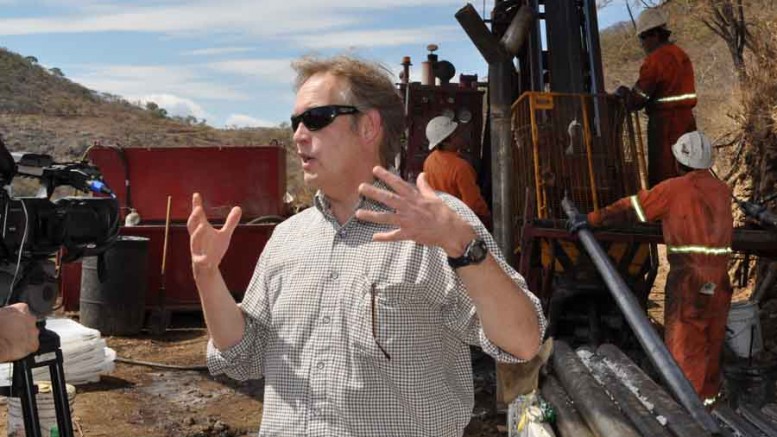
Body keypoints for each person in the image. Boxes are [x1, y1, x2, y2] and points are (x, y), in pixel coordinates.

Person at [188, 55, 545, 436]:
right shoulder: (287, 239)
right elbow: (245, 355)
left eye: (316, 118)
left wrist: (461, 244)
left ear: (369, 126)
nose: (298, 135)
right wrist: (208, 276)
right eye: (296, 122)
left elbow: (523, 342)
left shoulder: (440, 227)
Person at [586, 131, 732, 402]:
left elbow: (634, 208)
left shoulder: (674, 188)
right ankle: (709, 406)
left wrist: (592, 219)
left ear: (679, 162)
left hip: (690, 278)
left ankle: (687, 412)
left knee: (685, 347)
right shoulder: (722, 190)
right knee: (712, 343)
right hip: (719, 280)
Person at [616, 8, 697, 187]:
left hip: (665, 125)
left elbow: (638, 98)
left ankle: (666, 214)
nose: (642, 44)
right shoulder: (681, 55)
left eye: (642, 38)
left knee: (665, 177)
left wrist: (625, 95)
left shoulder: (655, 61)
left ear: (654, 35)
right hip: (688, 123)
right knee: (690, 172)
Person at [423, 115, 491, 227]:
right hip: (459, 222)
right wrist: (488, 219)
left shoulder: (429, 161)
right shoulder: (460, 167)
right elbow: (473, 204)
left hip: (439, 219)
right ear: (447, 141)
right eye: (456, 134)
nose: (461, 136)